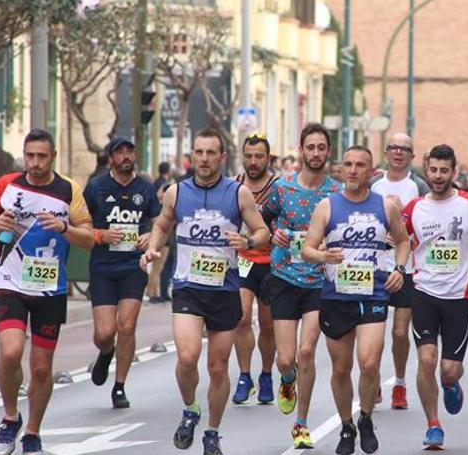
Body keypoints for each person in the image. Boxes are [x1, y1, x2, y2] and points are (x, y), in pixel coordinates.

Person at [140, 128, 270, 455]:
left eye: (211, 153)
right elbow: (161, 224)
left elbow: (262, 231)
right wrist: (153, 248)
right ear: (192, 155)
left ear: (222, 157)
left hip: (225, 289)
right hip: (187, 288)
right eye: (199, 152)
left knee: (217, 367)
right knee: (186, 357)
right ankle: (190, 409)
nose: (204, 159)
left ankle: (212, 430)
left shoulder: (238, 194)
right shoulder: (176, 192)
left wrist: (249, 242)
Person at [0, 129, 94, 455]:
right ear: (24, 156)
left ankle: (33, 433)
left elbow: (89, 236)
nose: (35, 163)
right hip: (9, 283)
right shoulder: (6, 186)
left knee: (40, 367)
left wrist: (65, 228)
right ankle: (10, 418)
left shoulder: (68, 190)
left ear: (53, 157)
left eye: (41, 156)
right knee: (10, 353)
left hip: (49, 289)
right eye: (30, 156)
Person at [302, 146, 410, 455]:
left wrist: (399, 270)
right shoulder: (327, 206)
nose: (352, 170)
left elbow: (403, 241)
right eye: (347, 164)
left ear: (370, 170)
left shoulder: (385, 206)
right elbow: (307, 249)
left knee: (369, 362)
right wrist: (323, 255)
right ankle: (347, 425)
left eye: (359, 165)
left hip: (373, 293)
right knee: (340, 368)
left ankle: (366, 417)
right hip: (336, 296)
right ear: (340, 170)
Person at [402, 144, 468, 449]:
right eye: (433, 170)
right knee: (426, 360)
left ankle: (450, 384)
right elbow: (396, 237)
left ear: (454, 171)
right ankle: (433, 425)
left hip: (458, 297)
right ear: (426, 169)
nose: (437, 176)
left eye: (443, 170)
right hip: (423, 292)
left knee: (448, 370)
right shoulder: (414, 208)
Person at [261, 123, 342, 449]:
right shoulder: (283, 188)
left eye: (322, 147)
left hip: (317, 282)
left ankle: (301, 423)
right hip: (284, 276)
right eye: (311, 147)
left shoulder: (336, 193)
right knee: (286, 358)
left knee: (307, 352)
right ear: (301, 149)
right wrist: (273, 233)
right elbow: (262, 218)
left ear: (328, 151)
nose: (316, 153)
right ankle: (287, 379)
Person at [83, 137, 160, 408]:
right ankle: (106, 353)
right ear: (111, 158)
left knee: (127, 326)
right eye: (120, 152)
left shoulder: (146, 188)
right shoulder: (96, 188)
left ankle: (119, 386)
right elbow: (79, 226)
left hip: (133, 266)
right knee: (105, 333)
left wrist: (150, 235)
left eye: (129, 151)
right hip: (103, 267)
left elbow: (160, 223)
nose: (126, 156)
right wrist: (100, 234)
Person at [371, 133, 429, 410]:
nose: (398, 153)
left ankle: (400, 383)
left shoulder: (419, 186)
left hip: (406, 269)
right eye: (393, 147)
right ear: (385, 152)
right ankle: (374, 380)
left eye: (404, 149)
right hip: (373, 267)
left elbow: (431, 226)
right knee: (374, 332)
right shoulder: (373, 185)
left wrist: (407, 238)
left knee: (399, 332)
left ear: (412, 156)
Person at [231, 134, 280, 405]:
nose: (253, 161)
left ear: (268, 158)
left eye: (258, 156)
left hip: (271, 263)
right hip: (242, 260)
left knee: (268, 325)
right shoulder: (234, 186)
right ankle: (244, 375)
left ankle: (266, 374)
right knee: (240, 318)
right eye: (248, 156)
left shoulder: (279, 187)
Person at [146, 161, 175, 302]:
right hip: (162, 237)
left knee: (157, 267)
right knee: (157, 267)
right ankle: (152, 293)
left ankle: (153, 291)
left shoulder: (156, 184)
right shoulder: (164, 188)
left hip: (160, 236)